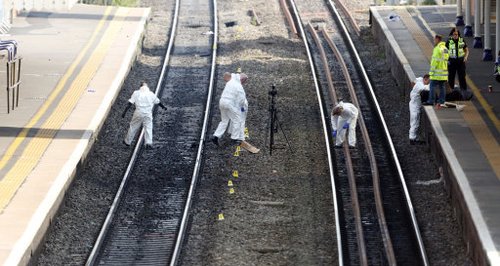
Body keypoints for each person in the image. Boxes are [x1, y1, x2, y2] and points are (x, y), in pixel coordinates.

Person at [122, 82, 167, 148]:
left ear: (140, 87)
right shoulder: (151, 94)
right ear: (147, 87)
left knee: (133, 127)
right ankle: (148, 143)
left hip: (138, 112)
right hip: (147, 113)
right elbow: (158, 101)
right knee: (148, 127)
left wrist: (124, 112)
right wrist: (163, 107)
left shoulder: (136, 93)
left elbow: (130, 103)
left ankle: (127, 142)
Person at [211, 72, 248, 146]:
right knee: (237, 120)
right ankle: (234, 138)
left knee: (224, 120)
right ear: (242, 80)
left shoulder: (230, 81)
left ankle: (216, 136)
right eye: (244, 82)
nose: (243, 83)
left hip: (222, 102)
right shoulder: (238, 86)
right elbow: (242, 99)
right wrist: (241, 108)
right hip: (230, 103)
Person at [446, 28, 470, 100]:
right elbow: (444, 52)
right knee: (451, 78)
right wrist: (446, 60)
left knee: (462, 77)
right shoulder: (449, 42)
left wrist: (465, 57)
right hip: (452, 62)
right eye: (453, 34)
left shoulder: (461, 41)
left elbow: (467, 50)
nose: (455, 36)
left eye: (456, 34)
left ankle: (464, 93)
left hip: (460, 62)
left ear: (458, 35)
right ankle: (451, 93)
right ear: (452, 34)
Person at [425, 34, 449, 107]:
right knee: (442, 87)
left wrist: (431, 73)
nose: (433, 41)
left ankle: (431, 101)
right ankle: (441, 101)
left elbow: (434, 62)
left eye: (434, 39)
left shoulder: (437, 49)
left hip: (436, 73)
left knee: (432, 86)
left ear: (437, 39)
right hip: (444, 73)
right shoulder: (445, 48)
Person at [409, 74, 430, 145]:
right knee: (414, 121)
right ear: (425, 79)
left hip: (416, 104)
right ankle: (412, 139)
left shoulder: (419, 80)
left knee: (416, 121)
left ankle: (415, 137)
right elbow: (426, 88)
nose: (428, 83)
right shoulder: (420, 85)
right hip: (414, 105)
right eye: (428, 82)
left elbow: (413, 81)